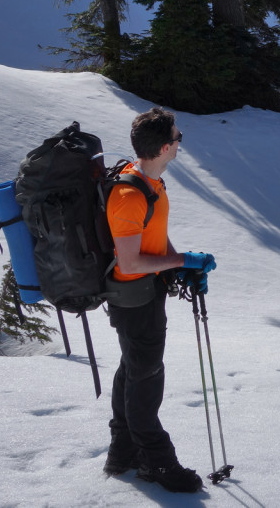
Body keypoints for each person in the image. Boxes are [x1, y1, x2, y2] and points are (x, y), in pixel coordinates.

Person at [101, 108, 216, 493]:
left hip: (144, 294)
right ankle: (157, 463)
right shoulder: (130, 195)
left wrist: (175, 265)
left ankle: (122, 452)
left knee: (133, 368)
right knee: (147, 376)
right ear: (165, 147)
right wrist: (183, 261)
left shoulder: (151, 183)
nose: (181, 141)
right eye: (178, 137)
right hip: (134, 300)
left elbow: (151, 239)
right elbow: (131, 260)